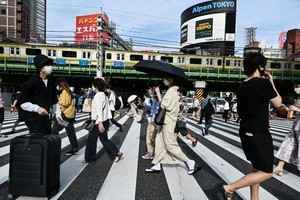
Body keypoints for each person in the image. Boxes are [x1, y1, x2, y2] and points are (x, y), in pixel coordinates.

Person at [223, 52, 288, 200]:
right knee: (267, 172)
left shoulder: (242, 85)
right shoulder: (264, 83)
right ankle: (230, 187)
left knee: (256, 169)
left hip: (245, 132)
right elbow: (278, 103)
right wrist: (271, 82)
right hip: (259, 133)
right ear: (261, 67)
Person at [146, 77, 199, 175]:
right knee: (159, 142)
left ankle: (189, 161)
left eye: (166, 78)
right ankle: (157, 163)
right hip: (167, 121)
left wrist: (158, 93)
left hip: (168, 122)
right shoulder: (175, 91)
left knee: (170, 145)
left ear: (171, 80)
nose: (163, 80)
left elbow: (163, 105)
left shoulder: (171, 91)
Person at [85, 78, 124, 163]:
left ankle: (90, 157)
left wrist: (100, 123)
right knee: (104, 139)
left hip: (99, 122)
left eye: (93, 86)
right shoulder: (104, 95)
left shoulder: (98, 96)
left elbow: (99, 110)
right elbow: (107, 110)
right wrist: (107, 120)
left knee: (91, 140)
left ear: (96, 86)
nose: (93, 87)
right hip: (104, 120)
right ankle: (116, 153)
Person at [19, 55, 57, 135]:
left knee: (47, 141)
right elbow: (23, 103)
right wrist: (37, 108)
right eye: (47, 65)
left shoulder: (51, 82)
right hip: (33, 119)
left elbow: (54, 100)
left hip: (46, 119)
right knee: (37, 143)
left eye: (50, 65)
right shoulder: (31, 82)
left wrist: (54, 113)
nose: (50, 67)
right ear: (40, 68)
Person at [274, 93, 300, 176]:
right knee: (287, 146)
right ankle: (279, 167)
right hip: (296, 128)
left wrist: (298, 110)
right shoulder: (298, 101)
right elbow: (289, 117)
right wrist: (288, 110)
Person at [52, 79, 78, 155]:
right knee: (70, 132)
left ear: (61, 85)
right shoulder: (67, 91)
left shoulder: (65, 92)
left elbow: (65, 103)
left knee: (54, 131)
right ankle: (74, 147)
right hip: (69, 115)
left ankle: (55, 147)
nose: (57, 87)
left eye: (58, 86)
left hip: (65, 116)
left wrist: (58, 99)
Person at [142, 86, 160, 160]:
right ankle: (153, 153)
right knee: (153, 137)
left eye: (150, 91)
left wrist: (144, 109)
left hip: (153, 121)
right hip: (155, 121)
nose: (150, 92)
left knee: (149, 138)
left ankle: (151, 154)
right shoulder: (156, 99)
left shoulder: (152, 100)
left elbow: (149, 110)